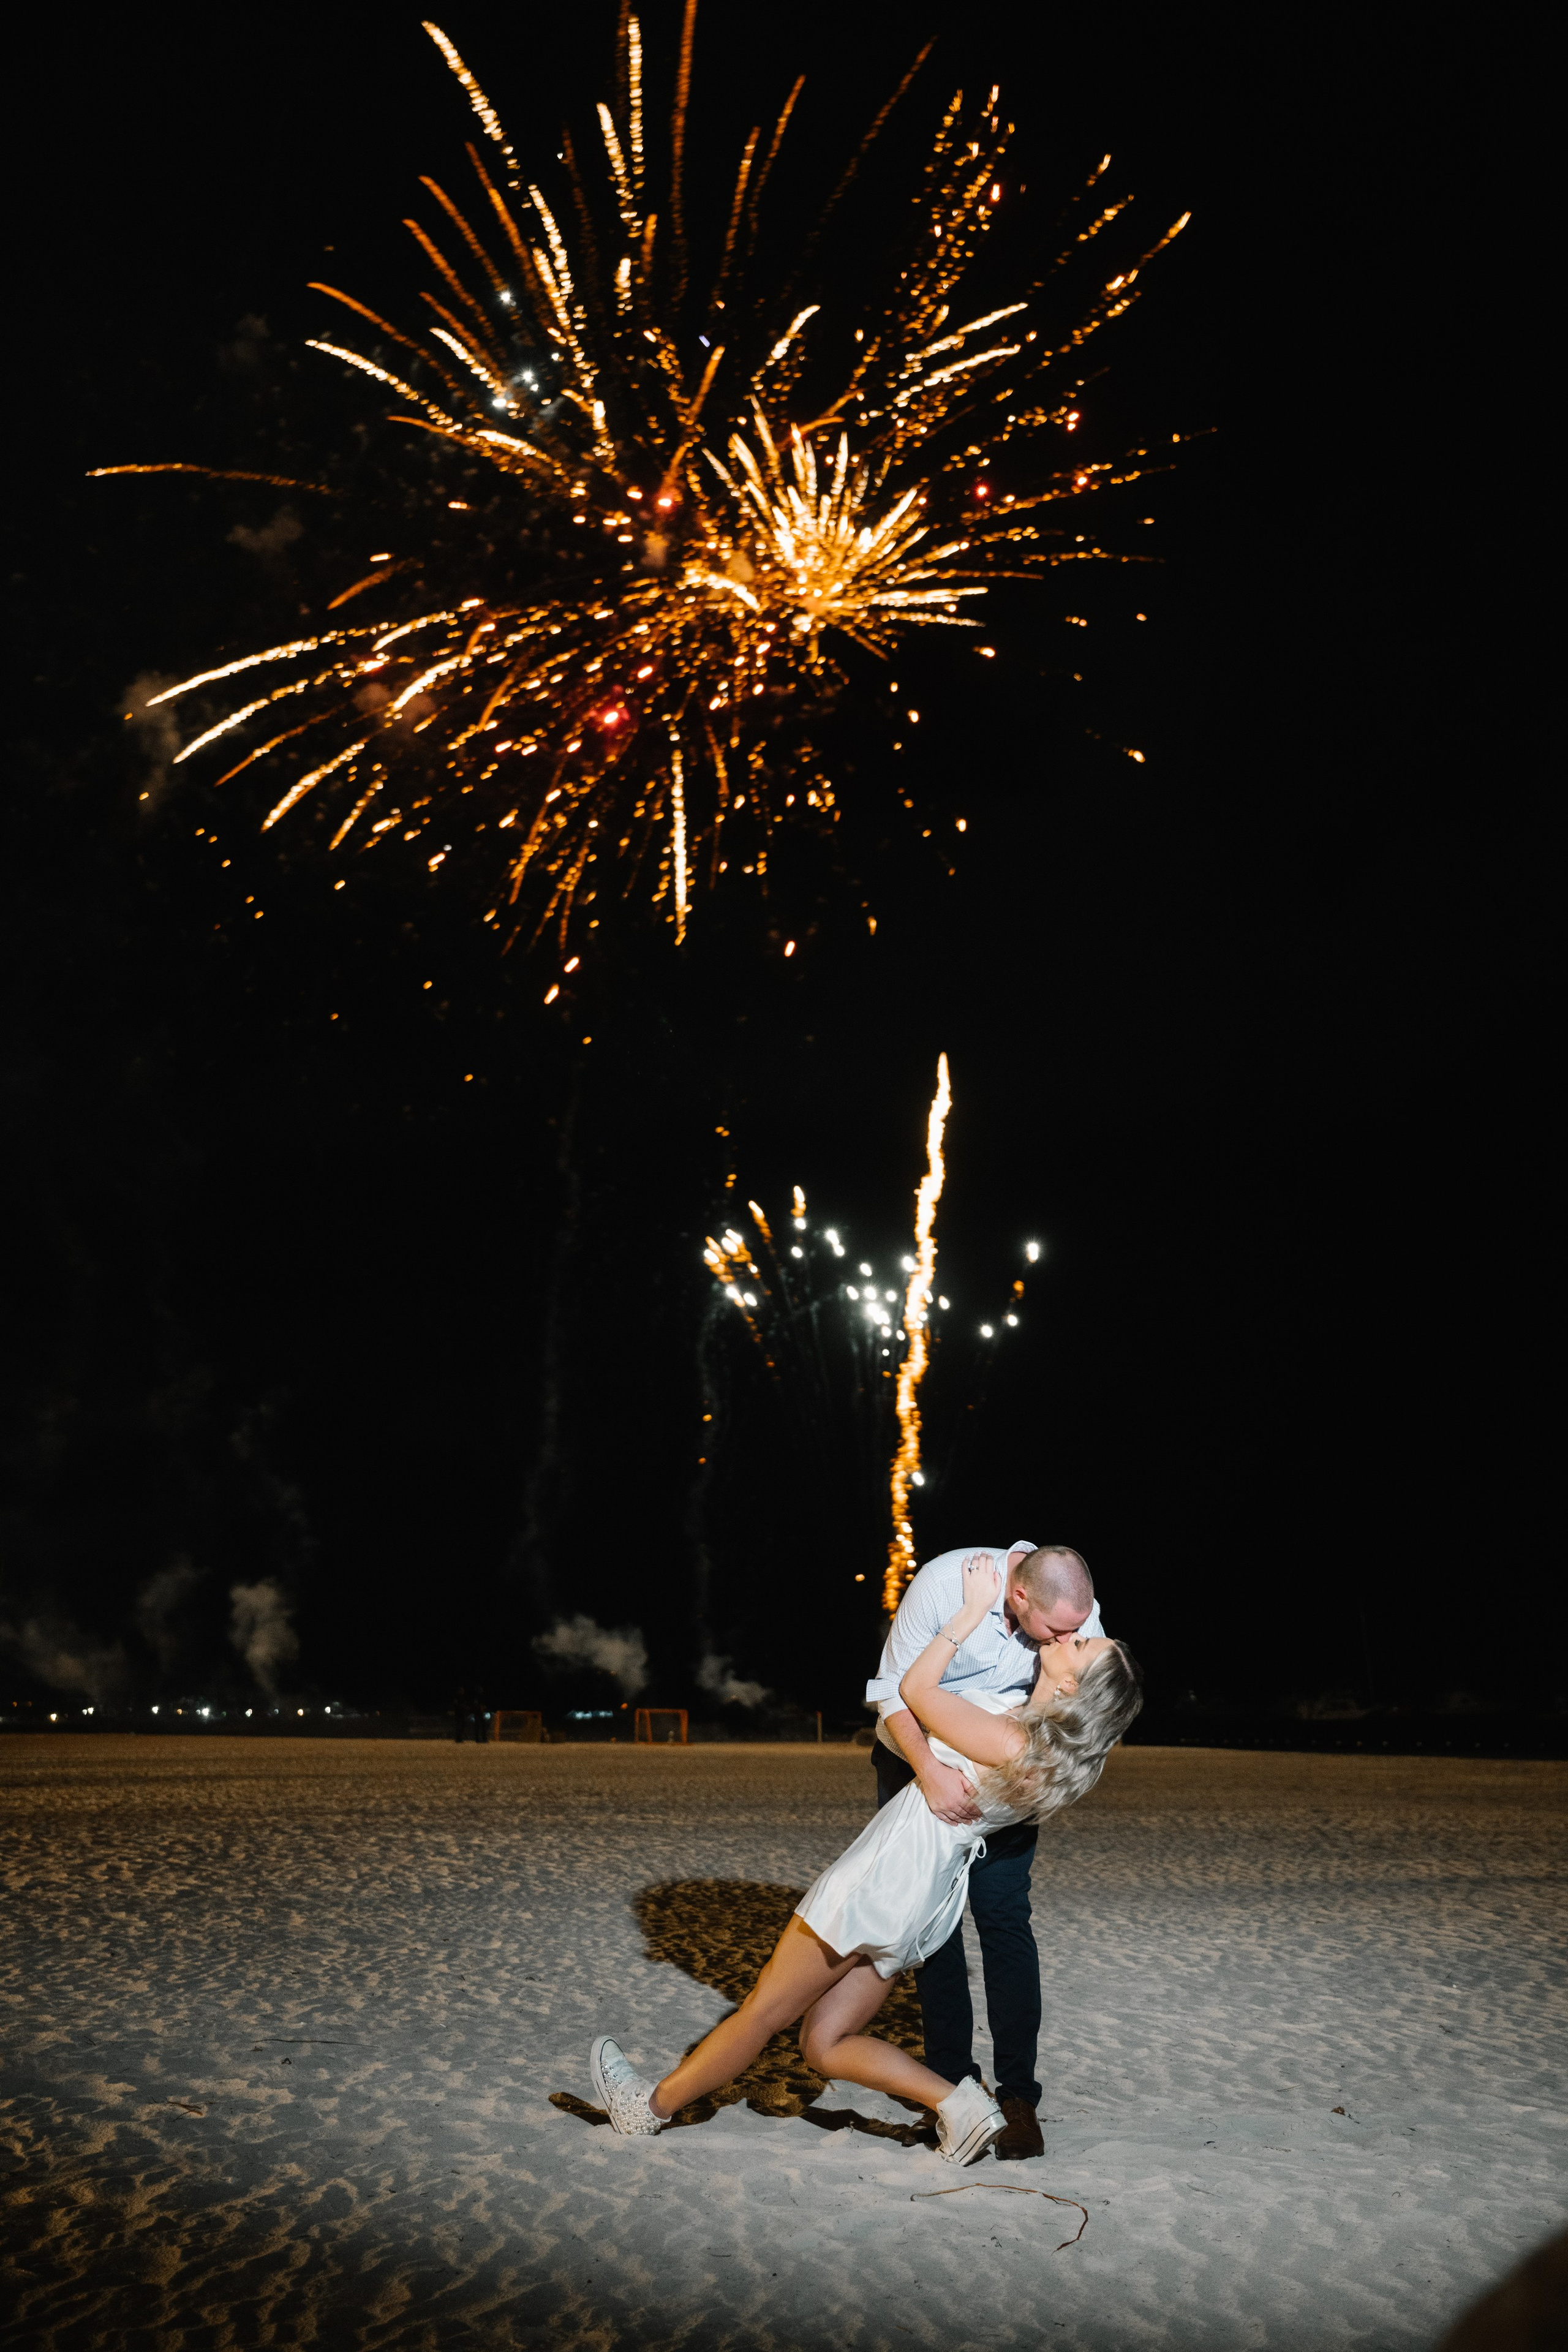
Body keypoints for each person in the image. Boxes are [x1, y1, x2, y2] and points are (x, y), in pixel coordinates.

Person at [589, 1556, 1141, 2165]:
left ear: (1073, 1688)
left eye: (1081, 1645)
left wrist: (967, 1615)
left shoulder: (1010, 1739)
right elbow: (1022, 1710)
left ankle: (649, 2108)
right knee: (824, 2043)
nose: (1075, 1634)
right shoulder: (1049, 1755)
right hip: (920, 1899)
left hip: (882, 1881)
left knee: (762, 2014)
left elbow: (914, 1690)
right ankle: (961, 2107)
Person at [865, 1541, 1102, 2160]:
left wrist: (1036, 1775)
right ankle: (953, 2092)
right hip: (916, 1759)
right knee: (934, 1928)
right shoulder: (946, 1584)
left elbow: (1083, 1709)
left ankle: (1019, 2097)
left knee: (1003, 1918)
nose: (1069, 1640)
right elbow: (892, 1691)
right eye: (1058, 1631)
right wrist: (930, 1773)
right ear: (1019, 1595)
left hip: (1007, 1775)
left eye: (1077, 1630)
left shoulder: (1074, 1611)